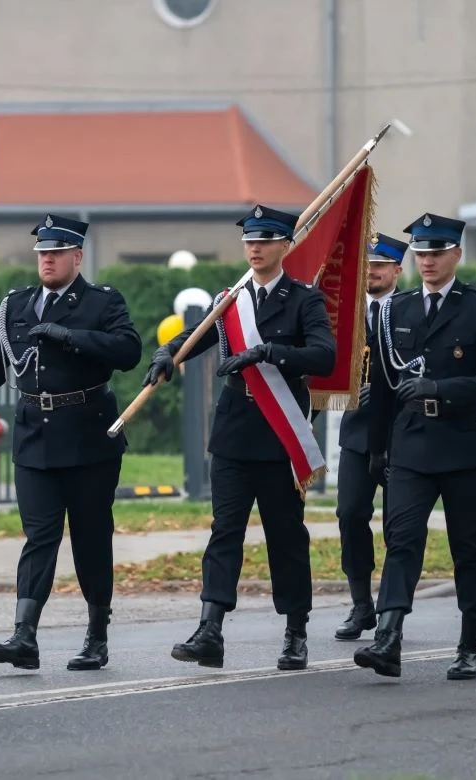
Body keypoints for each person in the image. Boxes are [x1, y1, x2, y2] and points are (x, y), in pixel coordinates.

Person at [144, 204, 336, 671]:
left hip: (279, 434)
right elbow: (198, 336)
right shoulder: (231, 299)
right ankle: (210, 628)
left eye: (265, 239)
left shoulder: (302, 300)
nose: (255, 247)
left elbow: (324, 356)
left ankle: (295, 631)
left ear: (284, 246)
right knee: (224, 532)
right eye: (249, 240)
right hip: (233, 434)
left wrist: (268, 352)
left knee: (285, 536)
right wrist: (168, 352)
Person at [353, 213, 476, 681]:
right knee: (401, 540)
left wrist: (441, 388)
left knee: (467, 546)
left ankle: (470, 644)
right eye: (421, 252)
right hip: (410, 443)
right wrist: (377, 449)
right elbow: (385, 385)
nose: (427, 261)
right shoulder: (397, 310)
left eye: (437, 252)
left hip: (463, 443)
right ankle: (388, 637)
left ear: (456, 256)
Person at [0, 214, 143, 672]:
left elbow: (128, 350)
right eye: (41, 253)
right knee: (39, 536)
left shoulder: (101, 302)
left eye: (56, 252)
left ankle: (96, 636)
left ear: (77, 256)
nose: (47, 260)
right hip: (35, 433)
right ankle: (24, 635)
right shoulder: (16, 304)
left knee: (91, 538)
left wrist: (70, 337)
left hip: (88, 434)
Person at [334, 232, 406, 641]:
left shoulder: (410, 310)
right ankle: (361, 603)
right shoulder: (343, 314)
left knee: (399, 526)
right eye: (367, 265)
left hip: (400, 434)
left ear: (397, 269)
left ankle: (393, 607)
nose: (372, 272)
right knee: (350, 514)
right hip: (358, 433)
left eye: (380, 265)